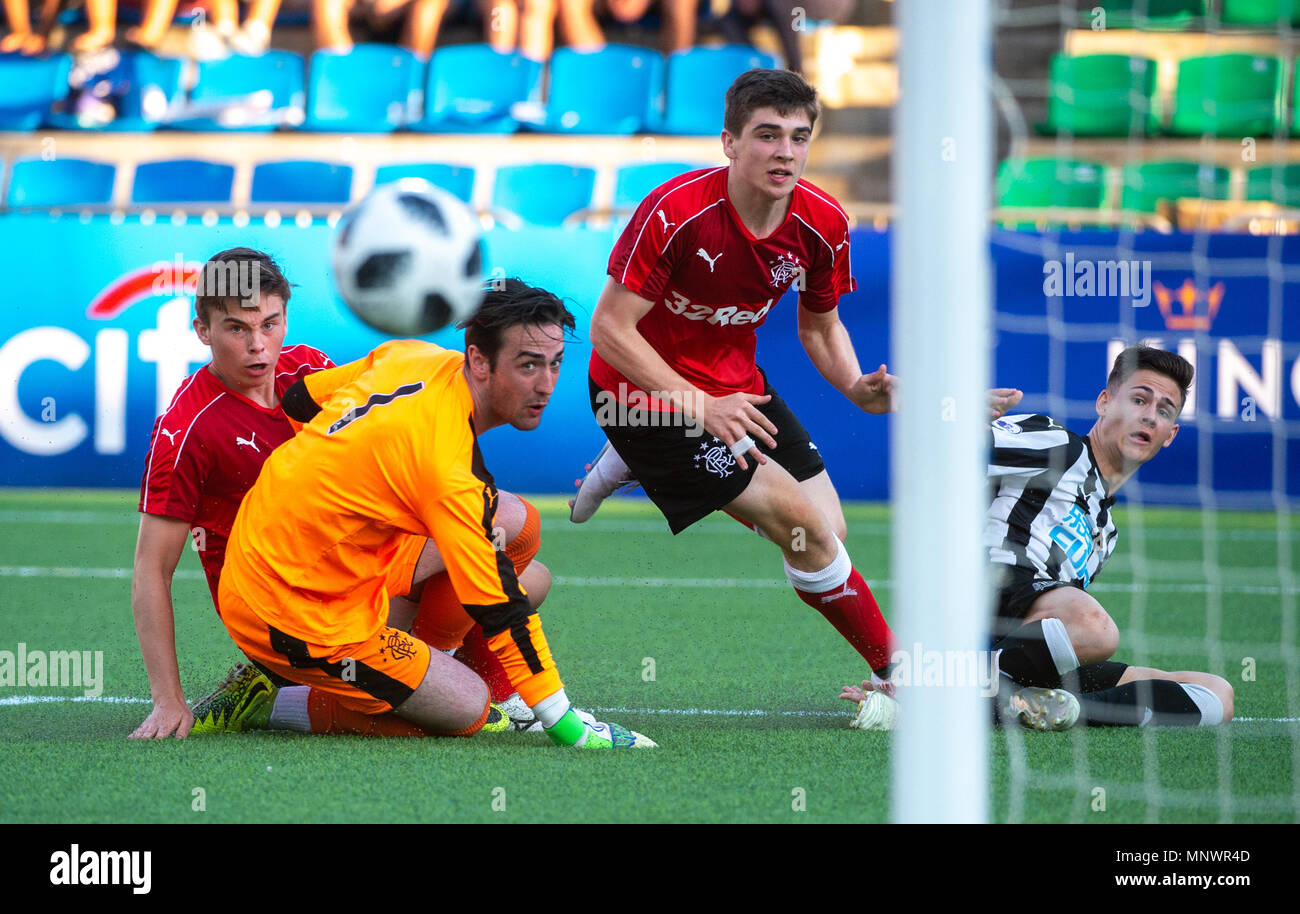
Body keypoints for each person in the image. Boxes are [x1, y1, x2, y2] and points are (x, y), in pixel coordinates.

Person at [573, 68, 916, 701]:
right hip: (638, 394)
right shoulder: (674, 211)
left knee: (826, 535)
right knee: (801, 529)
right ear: (729, 142)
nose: (785, 152)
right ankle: (899, 677)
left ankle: (634, 463)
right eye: (767, 135)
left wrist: (855, 388)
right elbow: (609, 330)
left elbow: (821, 327)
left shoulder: (822, 223)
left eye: (799, 136)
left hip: (737, 391)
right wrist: (699, 405)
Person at [216, 278, 655, 748]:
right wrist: (565, 723)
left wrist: (344, 483)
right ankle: (267, 701)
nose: (545, 385)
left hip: (324, 557)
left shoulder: (411, 355)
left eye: (554, 365)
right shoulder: (447, 471)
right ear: (479, 362)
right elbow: (499, 610)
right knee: (467, 708)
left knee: (519, 524)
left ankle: (426, 659)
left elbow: (300, 399)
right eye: (528, 366)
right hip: (288, 610)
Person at [130, 248, 548, 739]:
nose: (258, 346)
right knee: (460, 712)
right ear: (203, 330)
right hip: (290, 605)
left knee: (522, 555)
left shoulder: (308, 369)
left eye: (270, 323)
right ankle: (280, 698)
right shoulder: (185, 428)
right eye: (237, 329)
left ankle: (440, 667)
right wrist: (167, 701)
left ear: (286, 316)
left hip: (359, 564)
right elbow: (151, 570)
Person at [842, 345, 1235, 731]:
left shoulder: (1106, 531)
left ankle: (1060, 710)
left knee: (1216, 693)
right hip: (984, 605)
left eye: (1163, 411)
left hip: (1023, 651)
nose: (1149, 417)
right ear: (1103, 403)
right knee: (1095, 627)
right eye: (1138, 399)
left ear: (1170, 435)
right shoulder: (1055, 444)